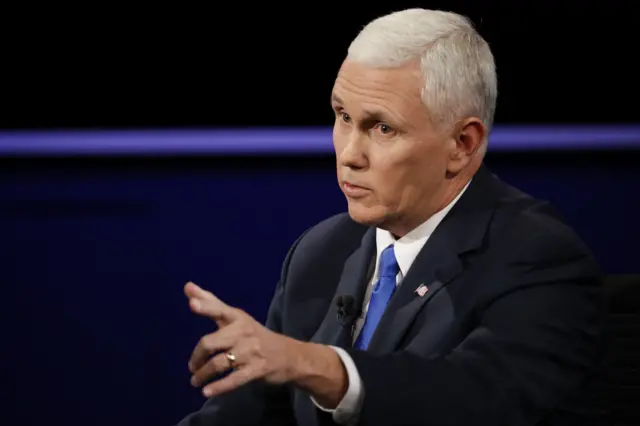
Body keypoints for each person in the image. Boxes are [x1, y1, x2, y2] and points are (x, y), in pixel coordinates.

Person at [176, 8, 604, 426]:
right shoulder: (321, 252)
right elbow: (251, 413)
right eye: (343, 116)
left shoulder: (535, 257)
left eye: (382, 128)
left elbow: (473, 398)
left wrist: (318, 366)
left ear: (462, 143)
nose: (348, 155)